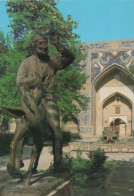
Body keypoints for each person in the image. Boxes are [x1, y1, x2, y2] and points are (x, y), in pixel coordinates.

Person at [15, 33, 75, 171]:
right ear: (35, 45)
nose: (44, 46)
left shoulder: (53, 61)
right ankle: (18, 159)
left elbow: (71, 58)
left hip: (48, 99)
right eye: (41, 43)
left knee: (56, 126)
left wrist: (58, 45)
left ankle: (58, 162)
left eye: (46, 43)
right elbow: (19, 81)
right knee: (22, 124)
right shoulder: (27, 62)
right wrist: (33, 81)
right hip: (32, 99)